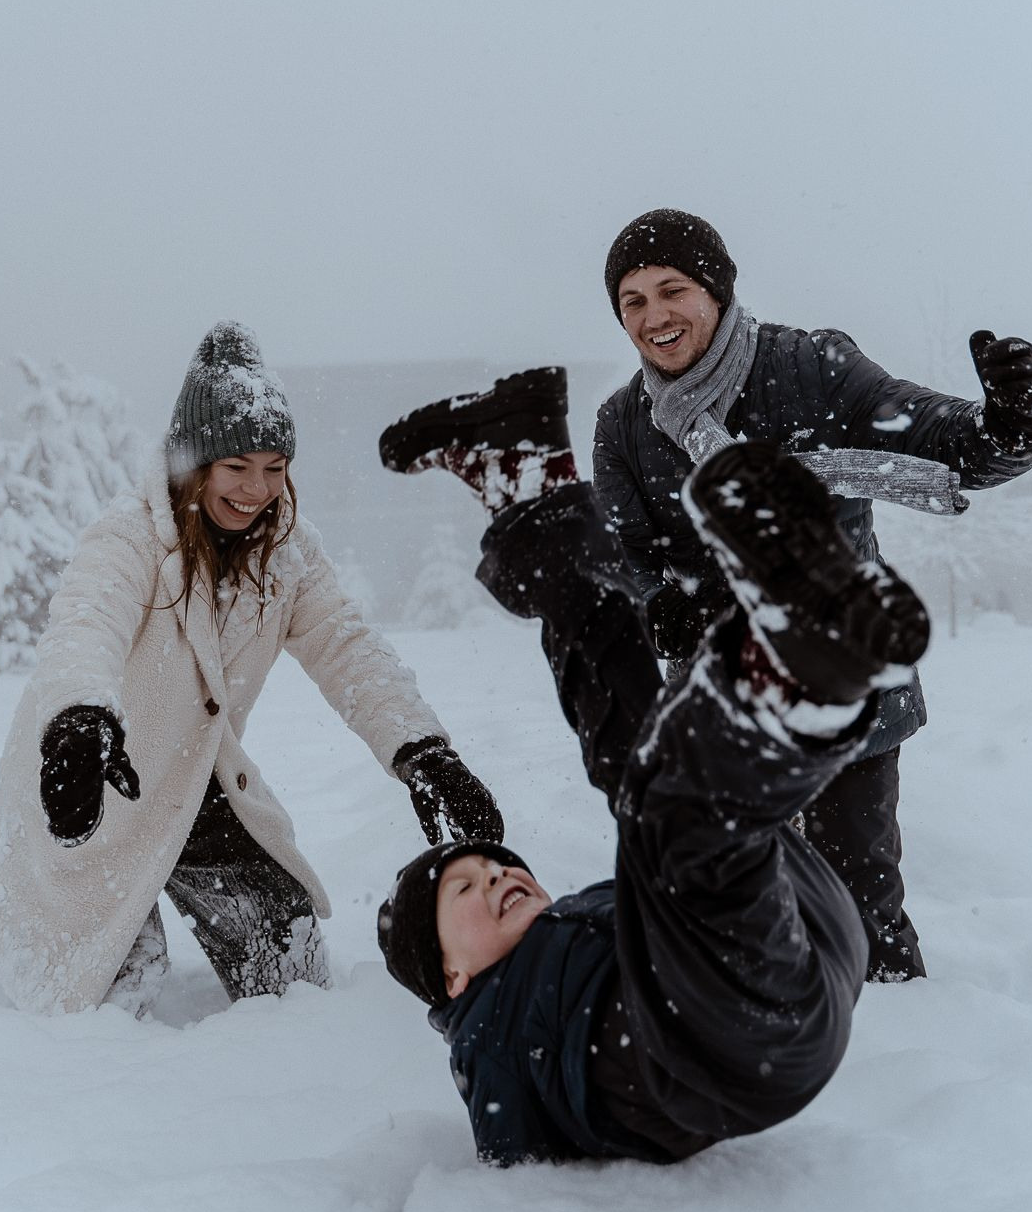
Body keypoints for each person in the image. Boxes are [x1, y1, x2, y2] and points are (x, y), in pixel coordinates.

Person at [373, 365, 931, 1165]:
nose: (494, 875)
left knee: (640, 753)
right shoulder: (485, 1035)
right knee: (663, 815)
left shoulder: (574, 927)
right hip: (727, 1045)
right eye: (463, 889)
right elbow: (508, 1166)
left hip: (793, 925)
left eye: (492, 866)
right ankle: (794, 670)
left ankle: (530, 478)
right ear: (451, 978)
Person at [0, 322, 502, 1016]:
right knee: (102, 1008)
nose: (257, 489)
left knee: (293, 976)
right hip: (91, 781)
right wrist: (79, 718)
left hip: (196, 784)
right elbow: (84, 627)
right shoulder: (129, 538)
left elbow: (350, 649)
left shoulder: (287, 555)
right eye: (237, 466)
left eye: (275, 467)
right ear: (196, 462)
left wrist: (422, 751)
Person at [591, 208, 1032, 980]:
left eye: (672, 289)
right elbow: (625, 551)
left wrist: (1009, 428)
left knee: (857, 903)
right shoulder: (623, 425)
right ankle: (771, 1059)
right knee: (737, 914)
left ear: (716, 290)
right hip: (722, 704)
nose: (654, 316)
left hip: (842, 687)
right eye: (632, 301)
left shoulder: (809, 367)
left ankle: (896, 1049)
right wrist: (657, 601)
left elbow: (935, 437)